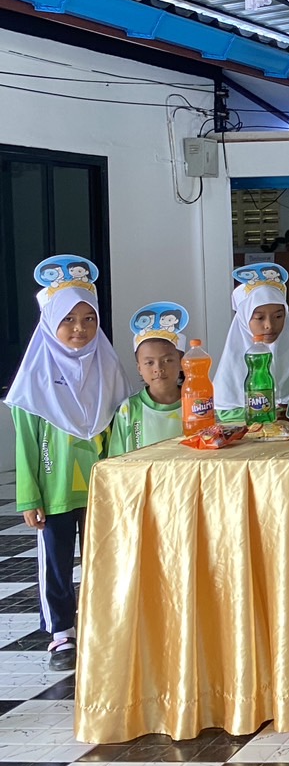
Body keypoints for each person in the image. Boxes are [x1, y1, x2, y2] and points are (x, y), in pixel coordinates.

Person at [3, 256, 129, 670]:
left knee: (103, 558)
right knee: (55, 564)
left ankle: (102, 625)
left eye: (89, 319)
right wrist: (29, 496)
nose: (80, 329)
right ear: (50, 322)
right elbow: (25, 443)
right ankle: (61, 632)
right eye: (69, 320)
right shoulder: (35, 376)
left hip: (101, 490)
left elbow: (120, 430)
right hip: (54, 490)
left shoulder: (107, 367)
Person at [215, 264, 289, 423]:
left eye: (278, 316)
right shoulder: (234, 359)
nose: (269, 325)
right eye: (259, 318)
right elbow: (226, 413)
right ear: (244, 318)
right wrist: (274, 411)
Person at [108, 303, 189, 453]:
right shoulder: (129, 409)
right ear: (139, 368)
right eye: (149, 363)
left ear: (182, 363)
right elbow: (116, 458)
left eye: (167, 360)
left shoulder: (197, 404)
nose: (158, 368)